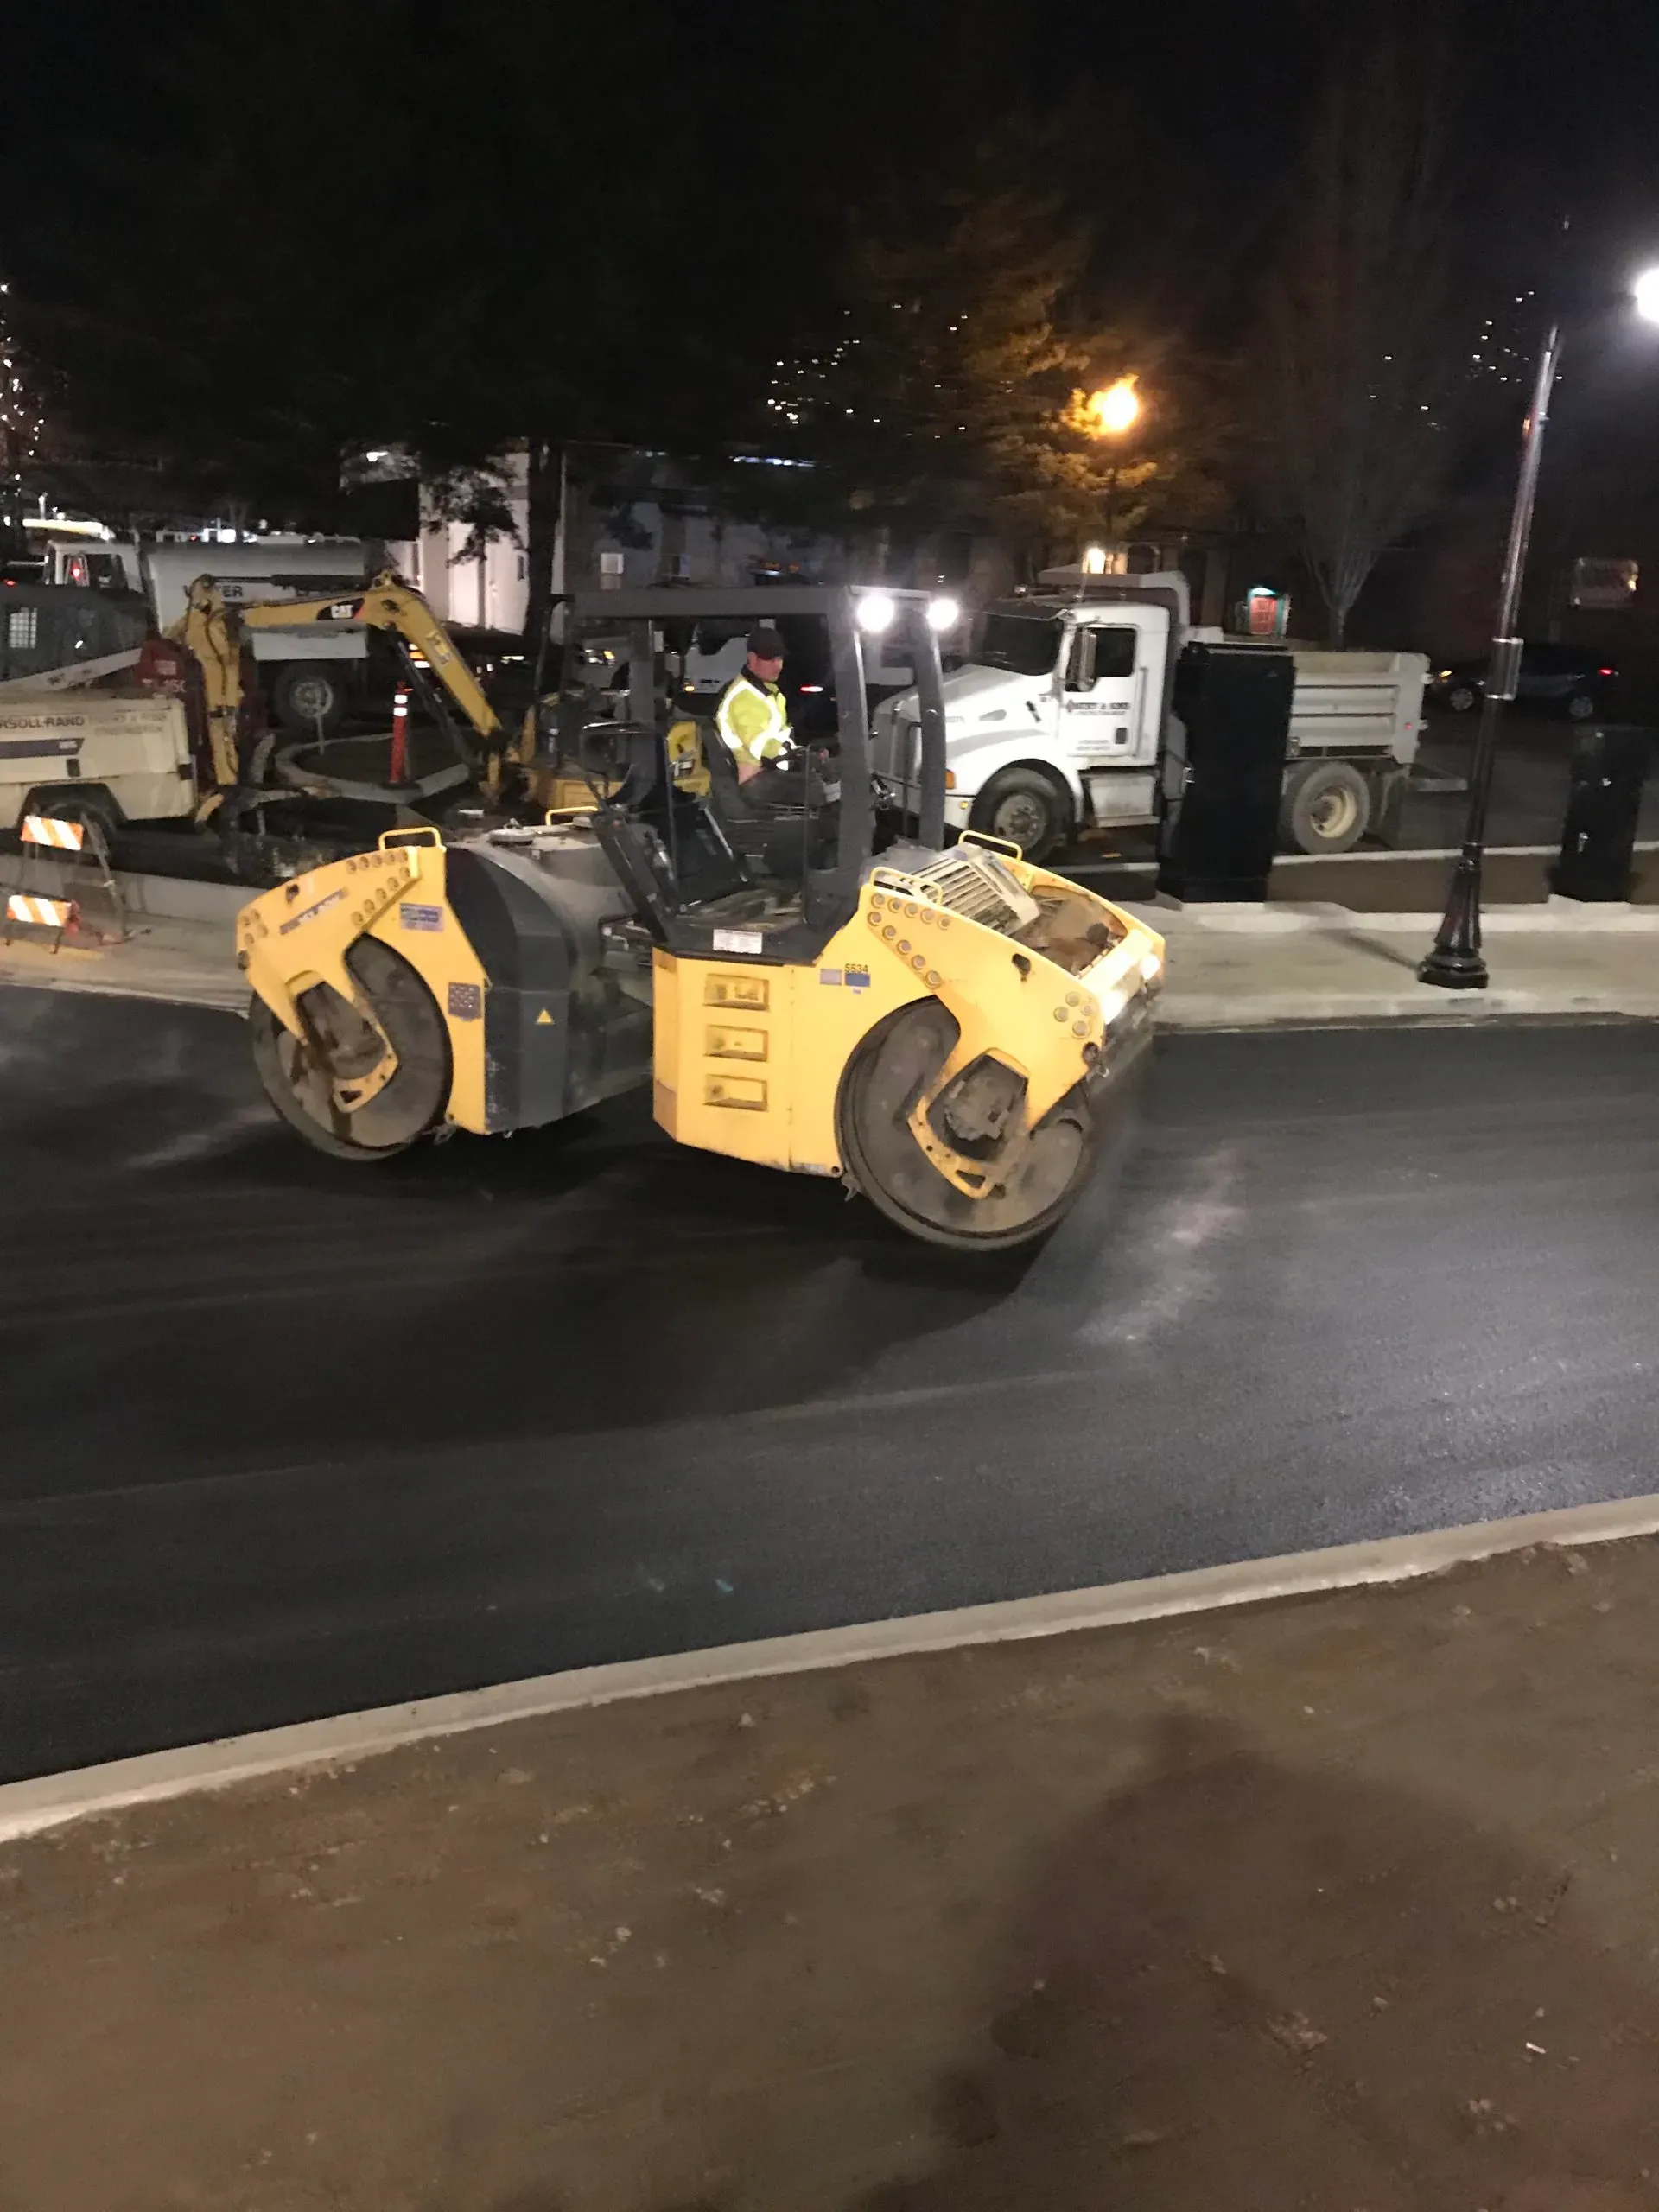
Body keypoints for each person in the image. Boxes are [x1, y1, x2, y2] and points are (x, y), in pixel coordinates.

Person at [714, 626, 794, 785]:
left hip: (767, 775)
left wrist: (799, 749)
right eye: (770, 659)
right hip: (753, 783)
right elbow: (761, 747)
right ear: (751, 658)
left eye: (779, 658)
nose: (777, 665)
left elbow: (779, 735)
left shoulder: (769, 691)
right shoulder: (744, 696)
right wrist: (794, 755)